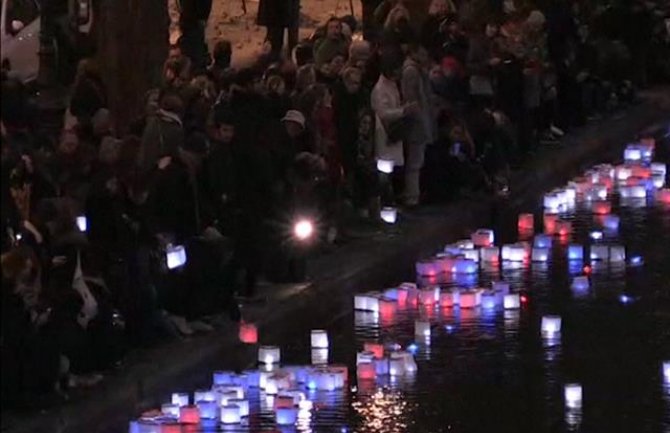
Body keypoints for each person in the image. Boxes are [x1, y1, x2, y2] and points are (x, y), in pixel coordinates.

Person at [401, 44, 435, 207]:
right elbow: (412, 97)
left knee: (417, 160)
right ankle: (412, 197)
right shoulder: (411, 72)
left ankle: (415, 194)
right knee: (415, 161)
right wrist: (420, 117)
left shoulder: (419, 70)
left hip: (421, 118)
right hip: (417, 121)